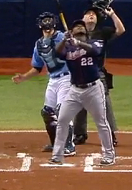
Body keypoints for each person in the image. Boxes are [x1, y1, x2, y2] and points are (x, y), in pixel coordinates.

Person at [49, 20, 115, 166]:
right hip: (74, 90)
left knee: (101, 122)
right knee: (62, 120)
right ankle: (58, 155)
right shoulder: (68, 47)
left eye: (81, 26)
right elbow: (56, 54)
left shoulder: (95, 42)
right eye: (76, 27)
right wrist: (65, 40)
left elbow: (95, 51)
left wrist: (78, 43)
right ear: (72, 32)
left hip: (93, 89)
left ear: (86, 31)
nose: (79, 27)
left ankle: (109, 155)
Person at [12, 12, 76, 157]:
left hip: (67, 77)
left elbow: (72, 48)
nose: (47, 26)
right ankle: (55, 143)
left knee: (62, 111)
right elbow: (37, 67)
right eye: (44, 22)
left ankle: (69, 145)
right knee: (47, 112)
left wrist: (70, 39)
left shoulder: (61, 37)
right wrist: (24, 77)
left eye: (49, 22)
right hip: (53, 80)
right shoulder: (39, 44)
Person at [73, 0, 125, 147]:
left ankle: (110, 133)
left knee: (104, 103)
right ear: (83, 18)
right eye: (88, 14)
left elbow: (121, 30)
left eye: (93, 14)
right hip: (80, 72)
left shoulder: (103, 32)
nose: (91, 16)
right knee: (79, 102)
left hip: (98, 72)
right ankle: (79, 133)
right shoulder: (77, 32)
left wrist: (113, 14)